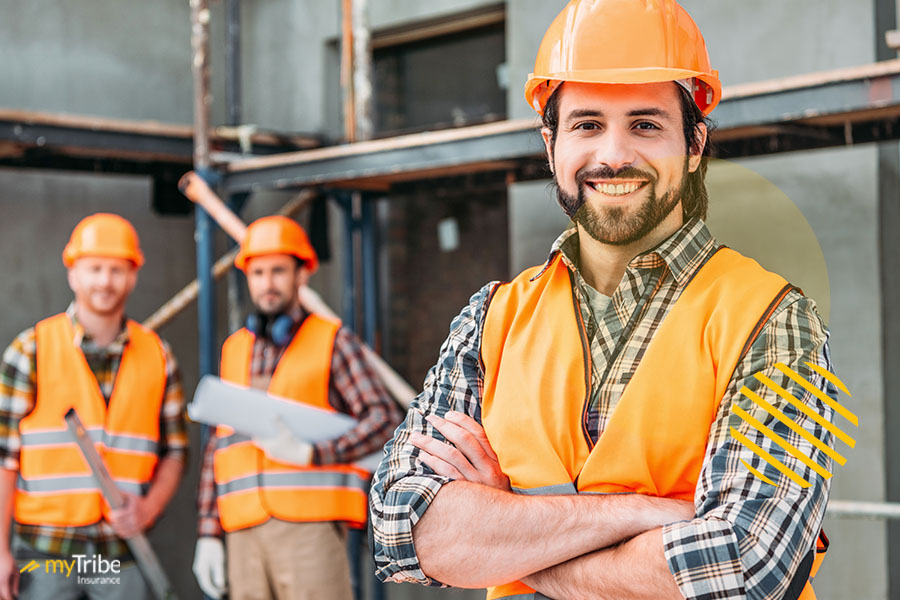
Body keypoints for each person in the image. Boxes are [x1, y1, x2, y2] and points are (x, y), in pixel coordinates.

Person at [370, 1, 837, 599]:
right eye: (587, 124)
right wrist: (645, 515)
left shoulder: (770, 320)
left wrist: (505, 529)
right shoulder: (492, 319)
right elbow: (402, 530)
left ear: (695, 144)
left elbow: (747, 565)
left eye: (645, 125)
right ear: (552, 143)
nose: (613, 155)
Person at [192, 215, 403, 600]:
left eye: (278, 271)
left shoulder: (333, 341)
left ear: (301, 274)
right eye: (257, 273)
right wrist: (208, 531)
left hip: (311, 528)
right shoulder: (233, 349)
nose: (267, 283)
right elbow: (218, 447)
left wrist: (314, 452)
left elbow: (385, 420)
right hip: (241, 530)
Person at [0, 213, 188, 600]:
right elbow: (3, 459)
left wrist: (149, 508)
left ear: (133, 276)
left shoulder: (158, 355)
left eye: (117, 269)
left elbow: (176, 452)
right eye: (95, 269)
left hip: (122, 552)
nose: (105, 281)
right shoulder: (30, 350)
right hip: (45, 553)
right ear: (73, 273)